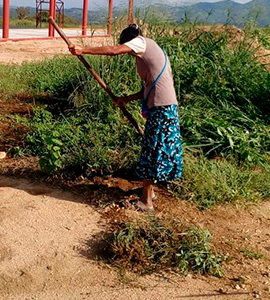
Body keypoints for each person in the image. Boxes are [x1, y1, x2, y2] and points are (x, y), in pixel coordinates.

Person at [68, 24, 183, 211]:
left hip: (162, 109)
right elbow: (148, 87)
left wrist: (83, 50)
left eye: (127, 48)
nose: (129, 52)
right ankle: (149, 192)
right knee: (153, 149)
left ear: (131, 41)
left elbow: (113, 51)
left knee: (152, 151)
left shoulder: (141, 42)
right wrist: (125, 99)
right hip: (162, 107)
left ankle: (146, 202)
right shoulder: (151, 52)